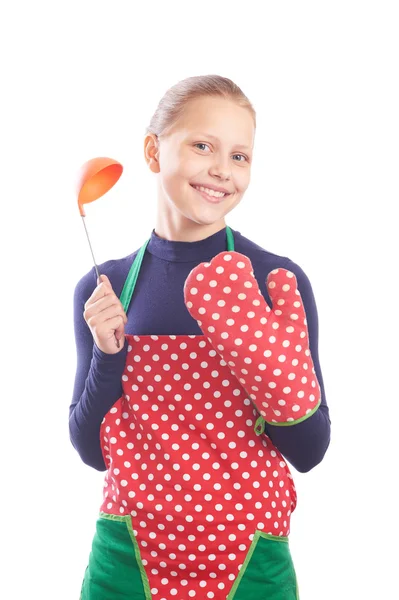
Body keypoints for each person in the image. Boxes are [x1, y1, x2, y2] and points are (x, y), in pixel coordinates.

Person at [71, 74, 331, 600]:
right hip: (129, 554)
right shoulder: (107, 286)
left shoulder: (274, 281)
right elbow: (91, 451)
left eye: (240, 156)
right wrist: (107, 353)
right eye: (203, 145)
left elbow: (310, 449)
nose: (221, 169)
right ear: (153, 150)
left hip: (250, 557)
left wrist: (264, 358)